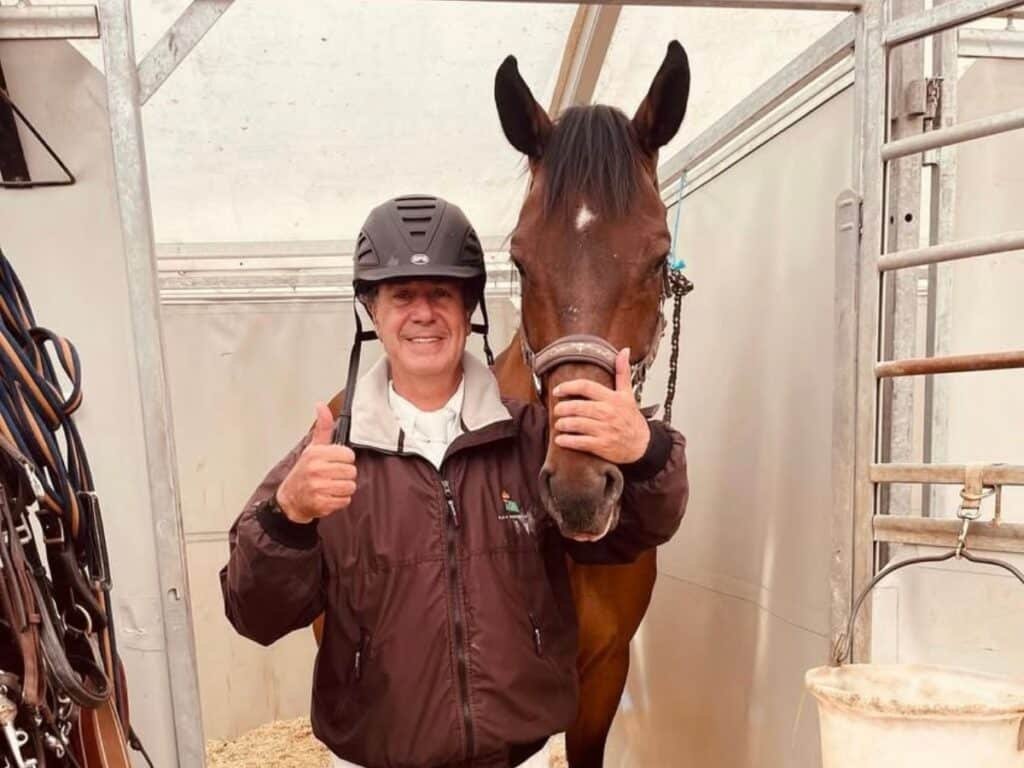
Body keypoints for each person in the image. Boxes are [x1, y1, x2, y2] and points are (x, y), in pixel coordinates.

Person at [220, 195, 689, 768]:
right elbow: (255, 614)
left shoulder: (532, 439)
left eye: (442, 294)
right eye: (401, 295)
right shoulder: (332, 447)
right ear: (372, 310)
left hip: (517, 758)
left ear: (470, 310)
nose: (423, 314)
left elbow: (633, 535)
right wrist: (286, 518)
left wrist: (646, 451)